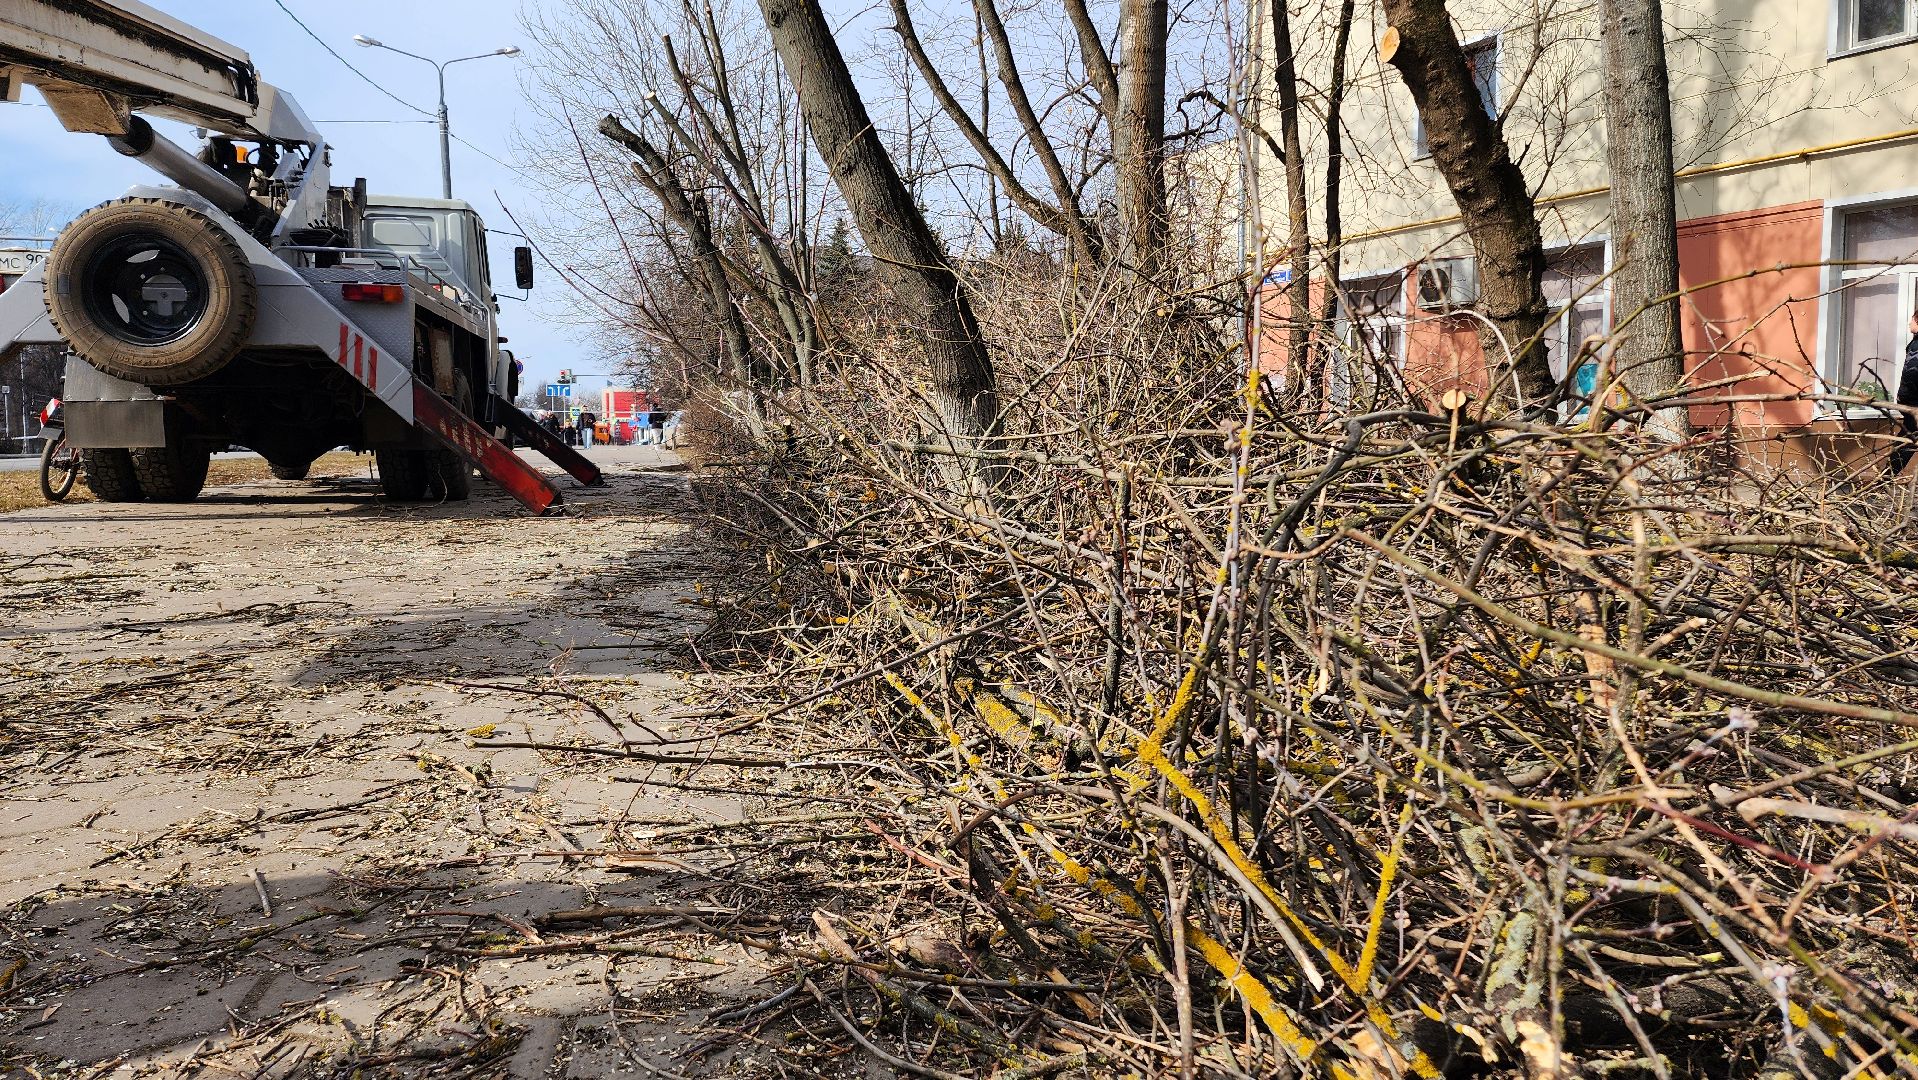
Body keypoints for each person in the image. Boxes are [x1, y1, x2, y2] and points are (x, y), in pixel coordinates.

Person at [1893, 309, 1918, 475]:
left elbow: (1912, 373)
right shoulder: (1915, 342)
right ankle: (1887, 475)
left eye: (1912, 320)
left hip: (1914, 402)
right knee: (1908, 437)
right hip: (1912, 402)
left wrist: (1904, 397)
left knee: (1908, 438)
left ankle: (1887, 475)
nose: (1909, 323)